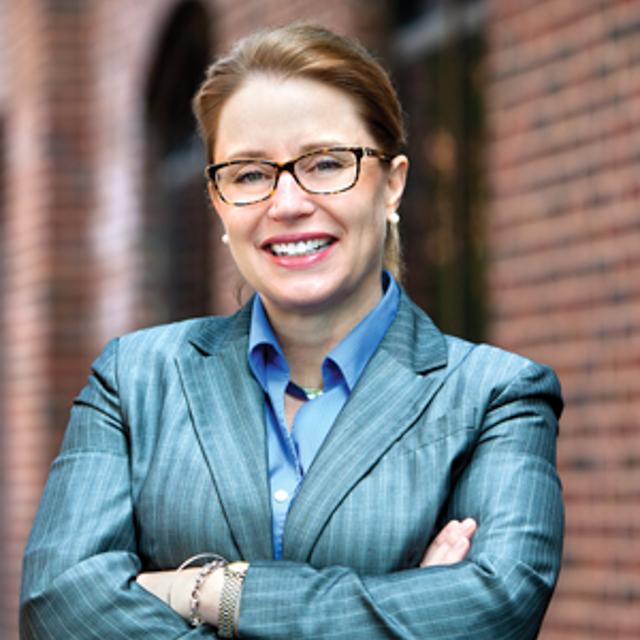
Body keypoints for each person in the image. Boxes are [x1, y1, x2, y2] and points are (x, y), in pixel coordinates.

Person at [20, 23, 563, 640]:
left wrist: (209, 592)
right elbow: (57, 604)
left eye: (326, 164)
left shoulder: (495, 395)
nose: (286, 203)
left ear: (393, 184)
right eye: (249, 174)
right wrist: (401, 606)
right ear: (218, 203)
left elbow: (493, 607)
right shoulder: (135, 379)